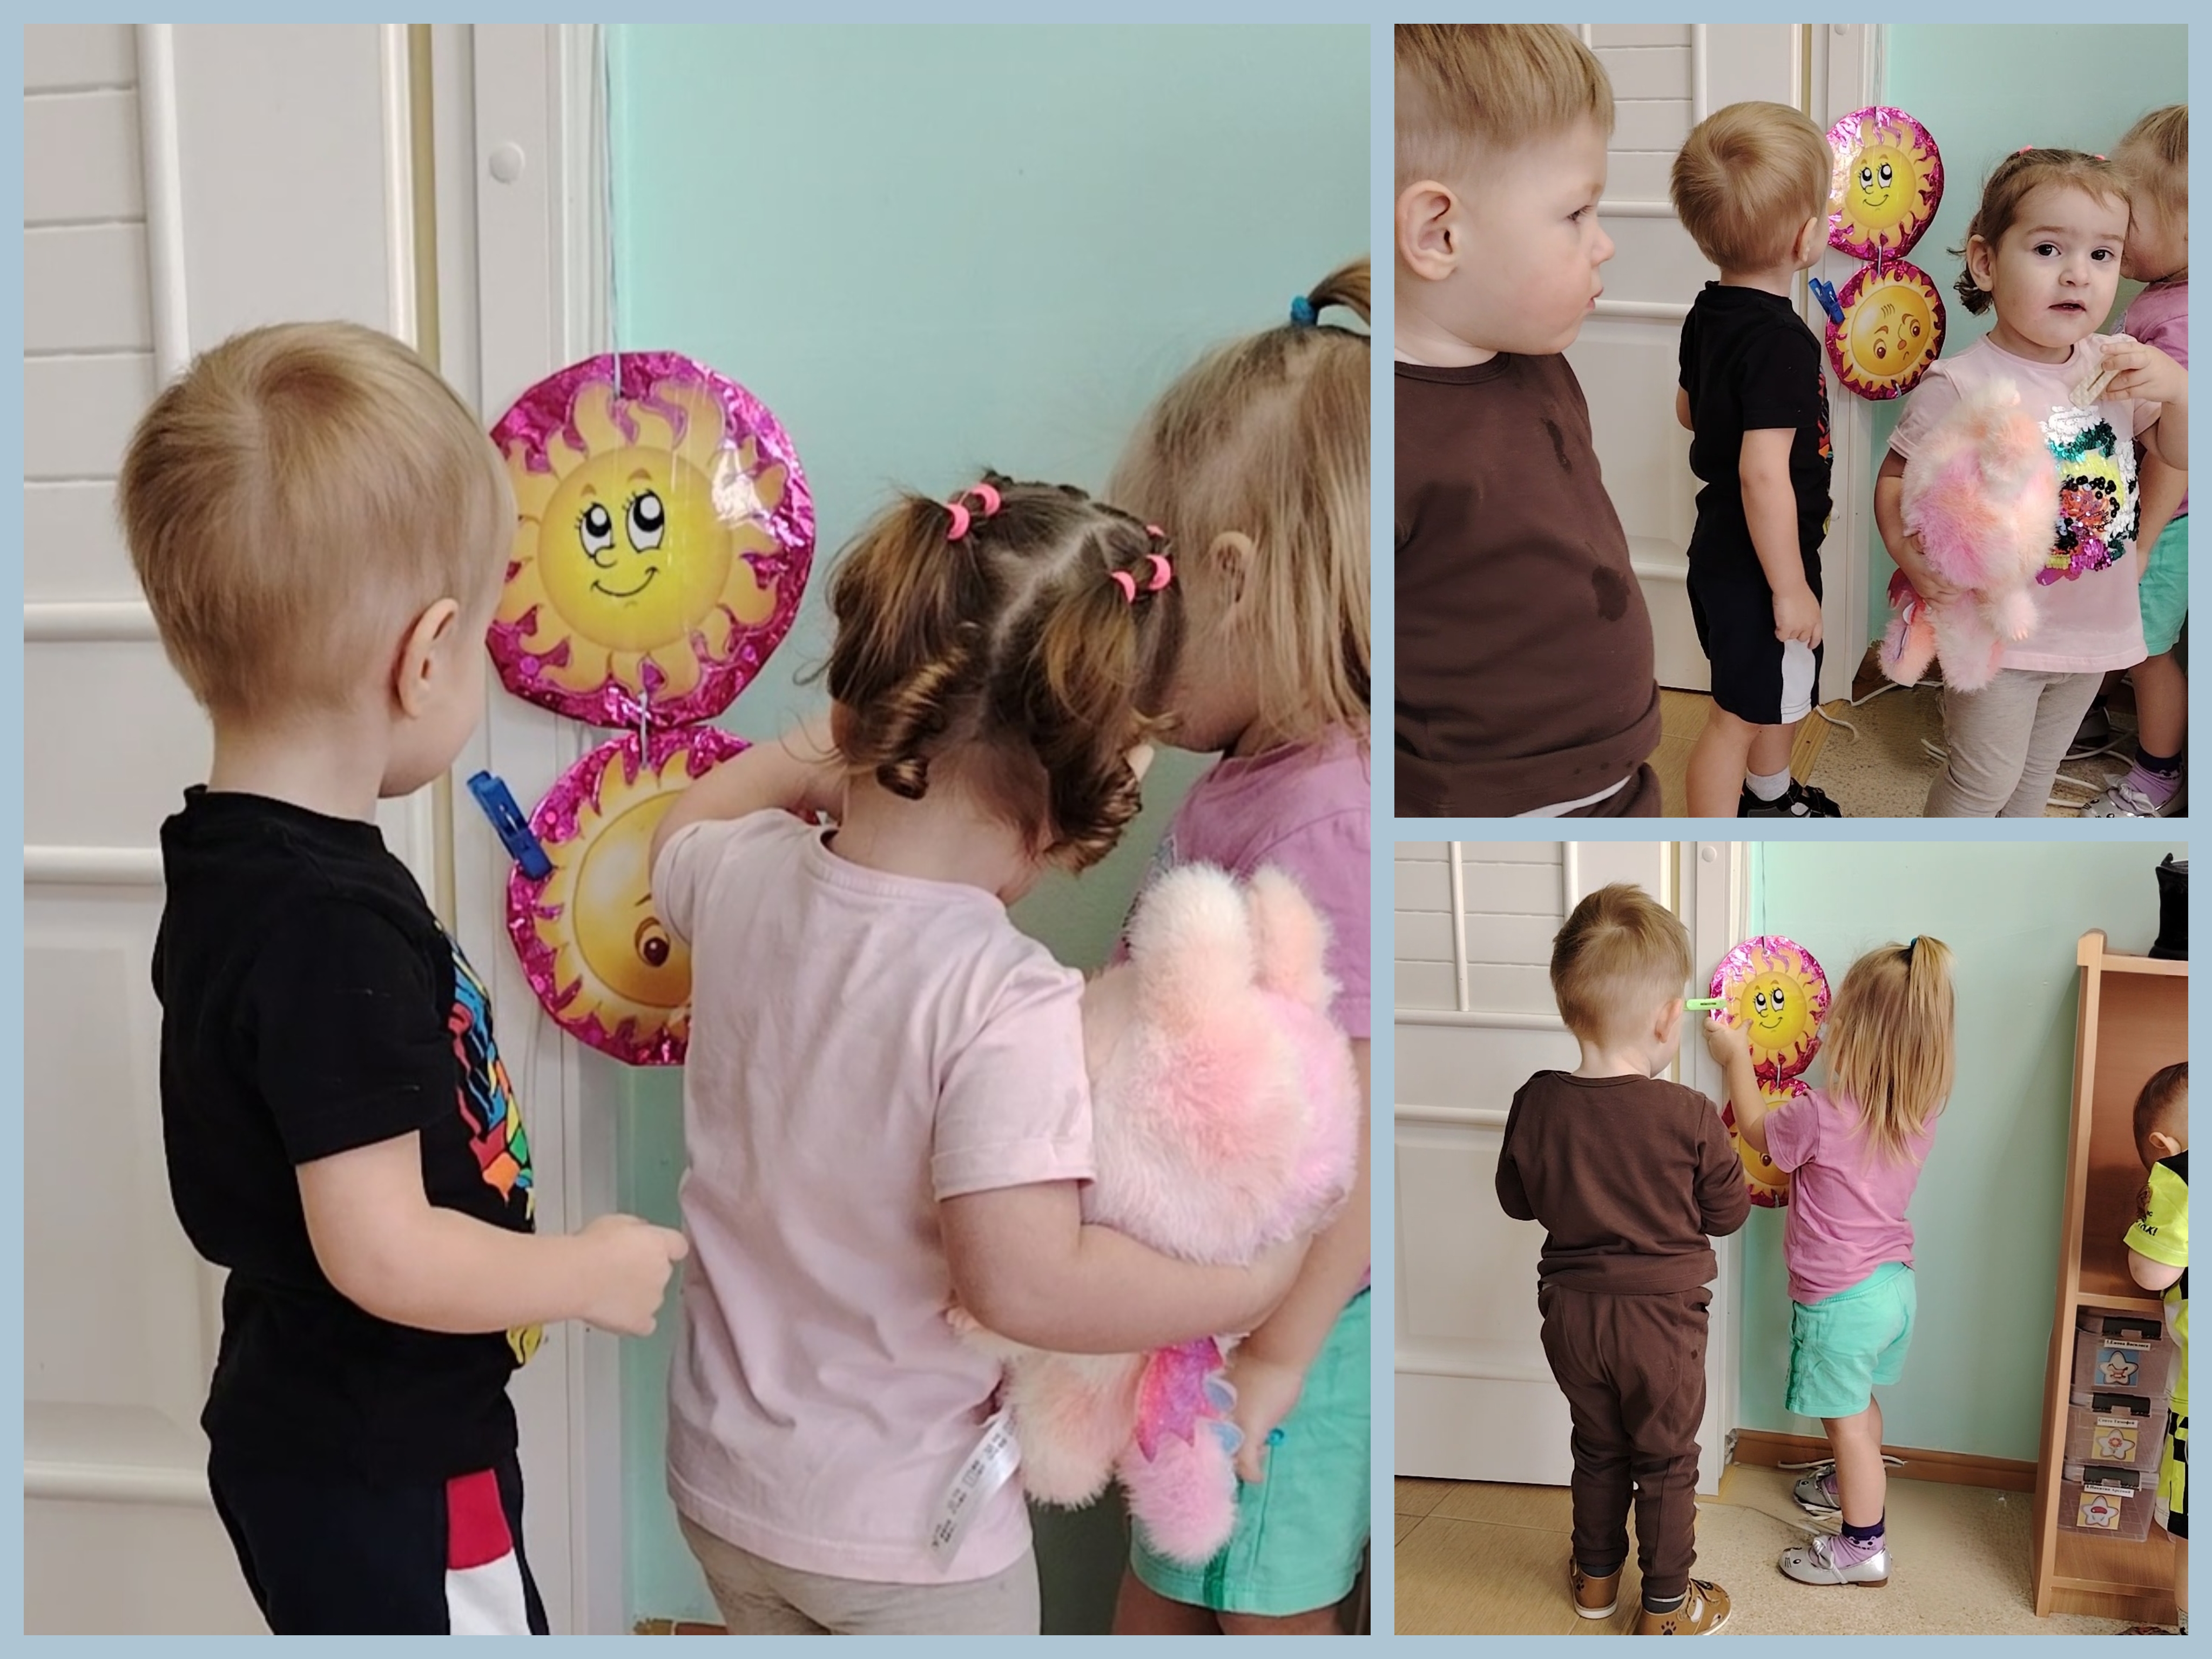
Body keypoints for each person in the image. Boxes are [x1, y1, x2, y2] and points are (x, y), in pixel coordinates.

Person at [648, 476, 1309, 1635]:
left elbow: (680, 829)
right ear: (1097, 793)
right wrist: (1250, 1286)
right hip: (905, 1541)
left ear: (860, 704)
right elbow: (1026, 1283)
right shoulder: (1004, 1001)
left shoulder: (742, 874)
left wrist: (829, 747)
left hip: (722, 1485)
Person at [119, 322, 689, 1634]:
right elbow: (380, 1245)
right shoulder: (325, 925)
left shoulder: (238, 857)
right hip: (391, 1460)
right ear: (426, 658)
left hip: (322, 1425)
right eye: (483, 635)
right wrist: (582, 1272)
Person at [1105, 261, 1371, 1635]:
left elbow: (1362, 1134)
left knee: (1261, 1611)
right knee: (1163, 1590)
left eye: (1136, 606)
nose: (1120, 647)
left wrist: (1276, 1355)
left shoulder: (1327, 816)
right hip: (1211, 1307)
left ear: (1232, 579)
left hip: (1287, 1334)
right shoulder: (1239, 782)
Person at [1394, 24, 1662, 818]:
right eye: (1576, 212)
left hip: (1622, 771)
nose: (1603, 244)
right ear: (1439, 233)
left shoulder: (1539, 362)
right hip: (1503, 805)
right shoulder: (1385, 434)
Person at [1877, 149, 2188, 816]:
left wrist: (2181, 393)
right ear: (1986, 263)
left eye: (2102, 255)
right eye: (2048, 249)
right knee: (1982, 782)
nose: (2078, 273)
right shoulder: (1959, 384)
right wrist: (1908, 555)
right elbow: (1896, 480)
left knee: (2034, 780)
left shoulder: (2114, 365)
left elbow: (2180, 454)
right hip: (1997, 633)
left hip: (2093, 632)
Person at [1496, 884, 1748, 1635]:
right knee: (1665, 1461)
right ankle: (1666, 1608)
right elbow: (1728, 1215)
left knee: (1599, 1446)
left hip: (1572, 1319)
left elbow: (1516, 1201)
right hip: (1661, 1324)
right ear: (1670, 1019)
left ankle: (1597, 1580)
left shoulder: (1536, 1102)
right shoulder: (1689, 1116)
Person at [1706, 937, 1955, 1587]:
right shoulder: (1919, 1112)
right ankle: (1849, 1483)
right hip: (1892, 1288)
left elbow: (1757, 1133)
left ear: (1851, 1034)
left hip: (1840, 1300)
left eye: (1833, 1017)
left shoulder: (1819, 1115)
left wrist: (1735, 1058)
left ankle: (1862, 1547)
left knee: (1844, 1425)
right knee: (1857, 1407)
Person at [1671, 101, 1845, 819]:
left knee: (1774, 692)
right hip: (1761, 562)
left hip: (1721, 545)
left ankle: (1771, 796)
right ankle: (1715, 836)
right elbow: (1761, 472)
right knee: (1734, 717)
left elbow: (1688, 411)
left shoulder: (1709, 311)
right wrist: (1789, 587)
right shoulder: (1780, 342)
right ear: (1806, 238)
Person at [2084, 106, 2189, 818]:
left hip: (2167, 521)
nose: (2116, 233)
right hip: (2135, 508)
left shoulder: (2180, 321)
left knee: (2147, 650)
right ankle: (2087, 718)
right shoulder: (2162, 298)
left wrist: (2144, 542)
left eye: (2131, 220)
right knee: (2102, 622)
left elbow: (2177, 453)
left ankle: (2155, 777)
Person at [2121, 1062, 2188, 1635]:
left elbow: (2150, 1273)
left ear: (2163, 1148)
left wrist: (2166, 1188)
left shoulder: (2183, 1180)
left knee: (2194, 1536)